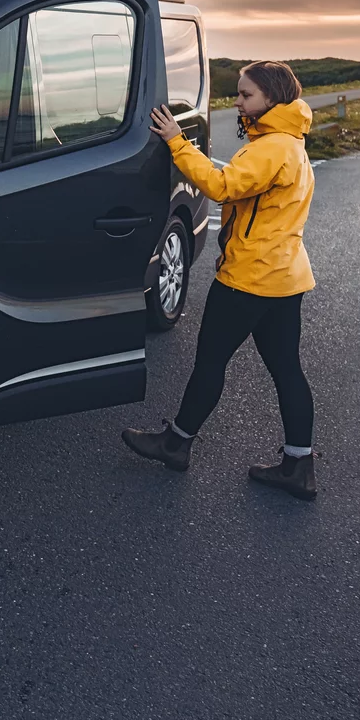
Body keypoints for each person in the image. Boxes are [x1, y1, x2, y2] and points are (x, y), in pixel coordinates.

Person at [121, 61, 320, 499]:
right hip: (284, 278)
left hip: (248, 280)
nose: (238, 102)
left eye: (246, 95)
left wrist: (176, 142)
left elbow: (222, 185)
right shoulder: (291, 145)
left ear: (271, 98)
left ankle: (176, 444)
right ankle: (298, 466)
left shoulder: (272, 148)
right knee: (287, 370)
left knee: (210, 363)